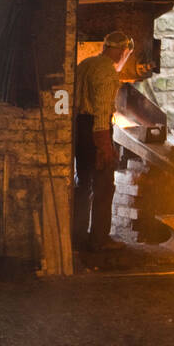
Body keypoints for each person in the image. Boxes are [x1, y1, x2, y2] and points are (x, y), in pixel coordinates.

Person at [73, 31, 132, 253]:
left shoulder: (85, 64)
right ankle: (99, 240)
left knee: (83, 184)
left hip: (79, 128)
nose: (122, 57)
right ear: (119, 50)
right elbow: (100, 114)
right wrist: (105, 146)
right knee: (104, 186)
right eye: (124, 52)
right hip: (96, 130)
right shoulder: (108, 72)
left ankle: (77, 237)